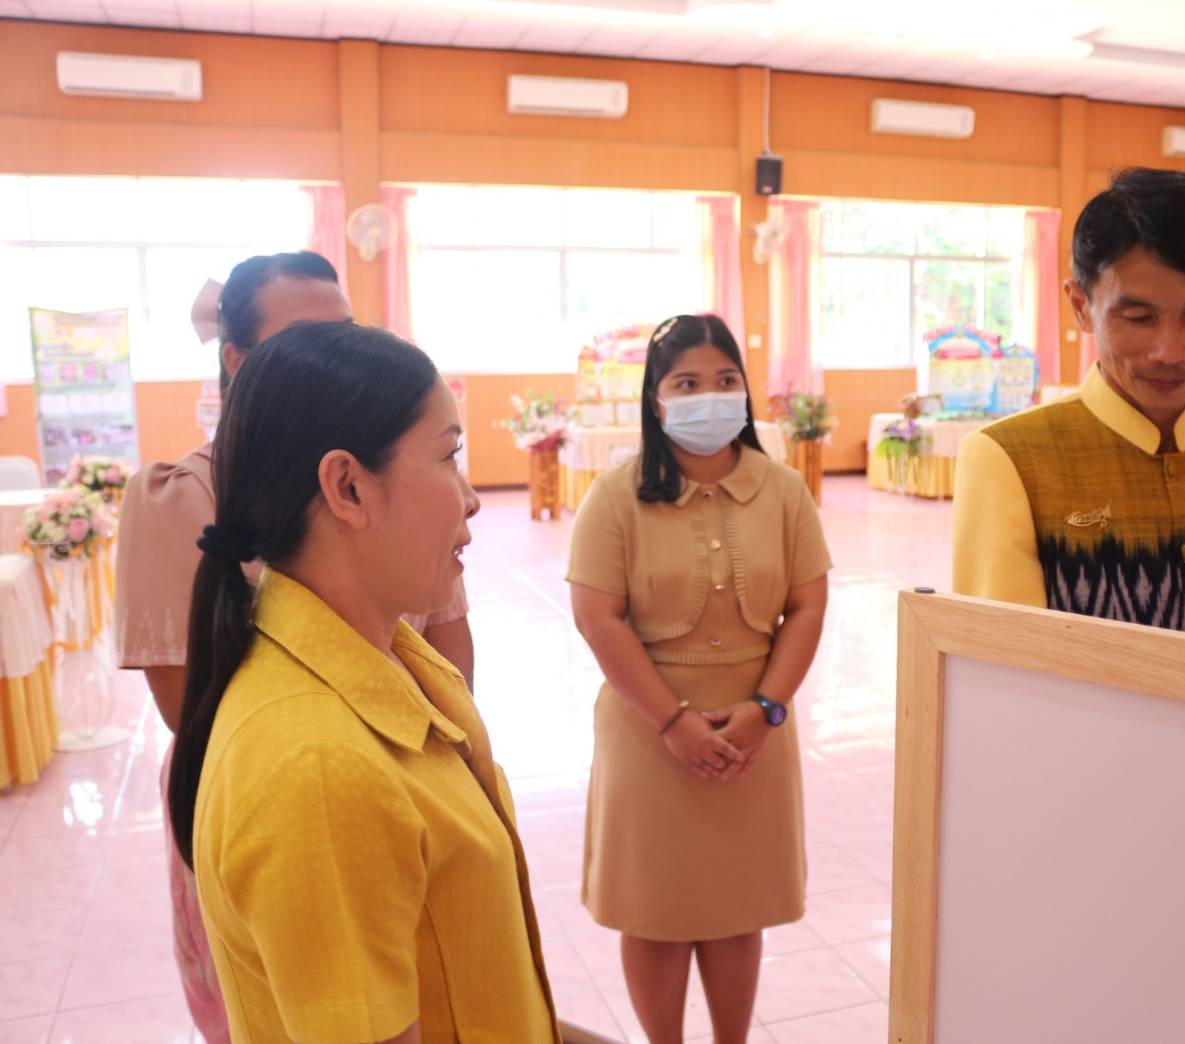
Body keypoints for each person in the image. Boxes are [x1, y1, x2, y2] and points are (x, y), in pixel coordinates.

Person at [114, 251, 476, 1041]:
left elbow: (449, 653)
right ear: (236, 360)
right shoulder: (183, 497)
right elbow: (191, 711)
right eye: (305, 340)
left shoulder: (402, 502)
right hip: (302, 801)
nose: (335, 359)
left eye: (346, 332)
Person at [165, 321, 558, 1043]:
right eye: (449, 456)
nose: (471, 498)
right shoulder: (317, 765)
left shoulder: (391, 657)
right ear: (347, 486)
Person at [567, 314, 830, 1044]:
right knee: (654, 910)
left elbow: (808, 606)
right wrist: (673, 723)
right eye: (686, 384)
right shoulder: (615, 496)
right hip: (647, 731)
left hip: (754, 732)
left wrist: (766, 709)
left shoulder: (785, 491)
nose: (709, 397)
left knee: (736, 907)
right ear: (656, 400)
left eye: (725, 380)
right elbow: (597, 618)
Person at [952, 167, 1185, 643]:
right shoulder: (1011, 459)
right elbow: (1004, 666)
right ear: (1081, 305)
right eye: (1139, 317)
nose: (1171, 352)